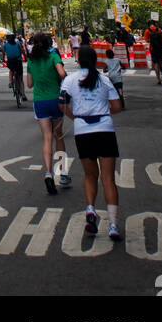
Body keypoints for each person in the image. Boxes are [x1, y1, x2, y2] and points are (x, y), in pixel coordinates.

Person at [59, 44, 123, 241]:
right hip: (104, 129)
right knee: (108, 179)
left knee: (89, 175)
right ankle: (112, 225)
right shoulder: (104, 81)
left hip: (82, 131)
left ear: (78, 60)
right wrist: (103, 113)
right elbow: (118, 106)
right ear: (96, 60)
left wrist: (76, 117)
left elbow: (62, 104)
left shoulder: (69, 80)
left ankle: (90, 209)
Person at [26, 32, 71, 194]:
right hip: (55, 100)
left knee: (47, 137)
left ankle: (48, 173)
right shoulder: (54, 57)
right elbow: (62, 74)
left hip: (40, 101)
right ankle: (63, 173)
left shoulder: (31, 60)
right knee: (59, 136)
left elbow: (29, 84)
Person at [146, 21, 162, 85]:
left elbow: (147, 40)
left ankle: (158, 79)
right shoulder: (159, 30)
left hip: (153, 49)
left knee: (156, 64)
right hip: (160, 48)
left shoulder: (147, 31)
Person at [103, 44, 125, 109]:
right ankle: (122, 104)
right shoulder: (118, 60)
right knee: (120, 90)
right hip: (118, 76)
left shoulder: (106, 61)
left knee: (114, 91)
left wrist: (108, 69)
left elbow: (104, 70)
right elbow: (123, 66)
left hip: (111, 77)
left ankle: (116, 104)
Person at [4, 32, 25, 99]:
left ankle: (10, 82)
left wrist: (3, 59)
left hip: (10, 61)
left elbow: (4, 53)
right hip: (18, 61)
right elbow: (22, 51)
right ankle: (23, 94)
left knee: (11, 70)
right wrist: (25, 57)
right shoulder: (18, 44)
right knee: (20, 79)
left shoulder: (5, 45)